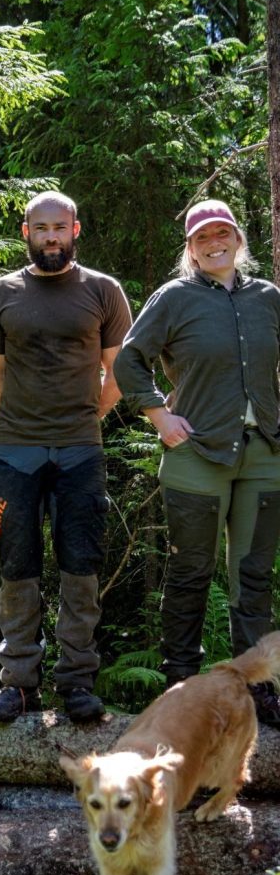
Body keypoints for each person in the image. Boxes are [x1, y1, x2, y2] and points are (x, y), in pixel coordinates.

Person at [114, 198, 280, 725]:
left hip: (264, 457)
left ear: (238, 239)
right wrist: (160, 417)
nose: (215, 243)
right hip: (196, 457)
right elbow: (128, 359)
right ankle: (181, 687)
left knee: (252, 576)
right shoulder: (175, 298)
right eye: (203, 237)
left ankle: (258, 689)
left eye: (223, 233)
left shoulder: (268, 298)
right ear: (190, 247)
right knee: (189, 572)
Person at [0, 191, 132, 723]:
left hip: (80, 451)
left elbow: (120, 372)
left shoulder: (103, 291)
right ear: (25, 232)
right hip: (14, 452)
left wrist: (87, 418)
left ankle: (76, 683)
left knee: (80, 567)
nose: (50, 237)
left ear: (75, 230)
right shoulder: (1, 293)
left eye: (59, 228)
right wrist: (28, 422)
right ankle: (18, 683)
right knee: (17, 567)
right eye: (40, 228)